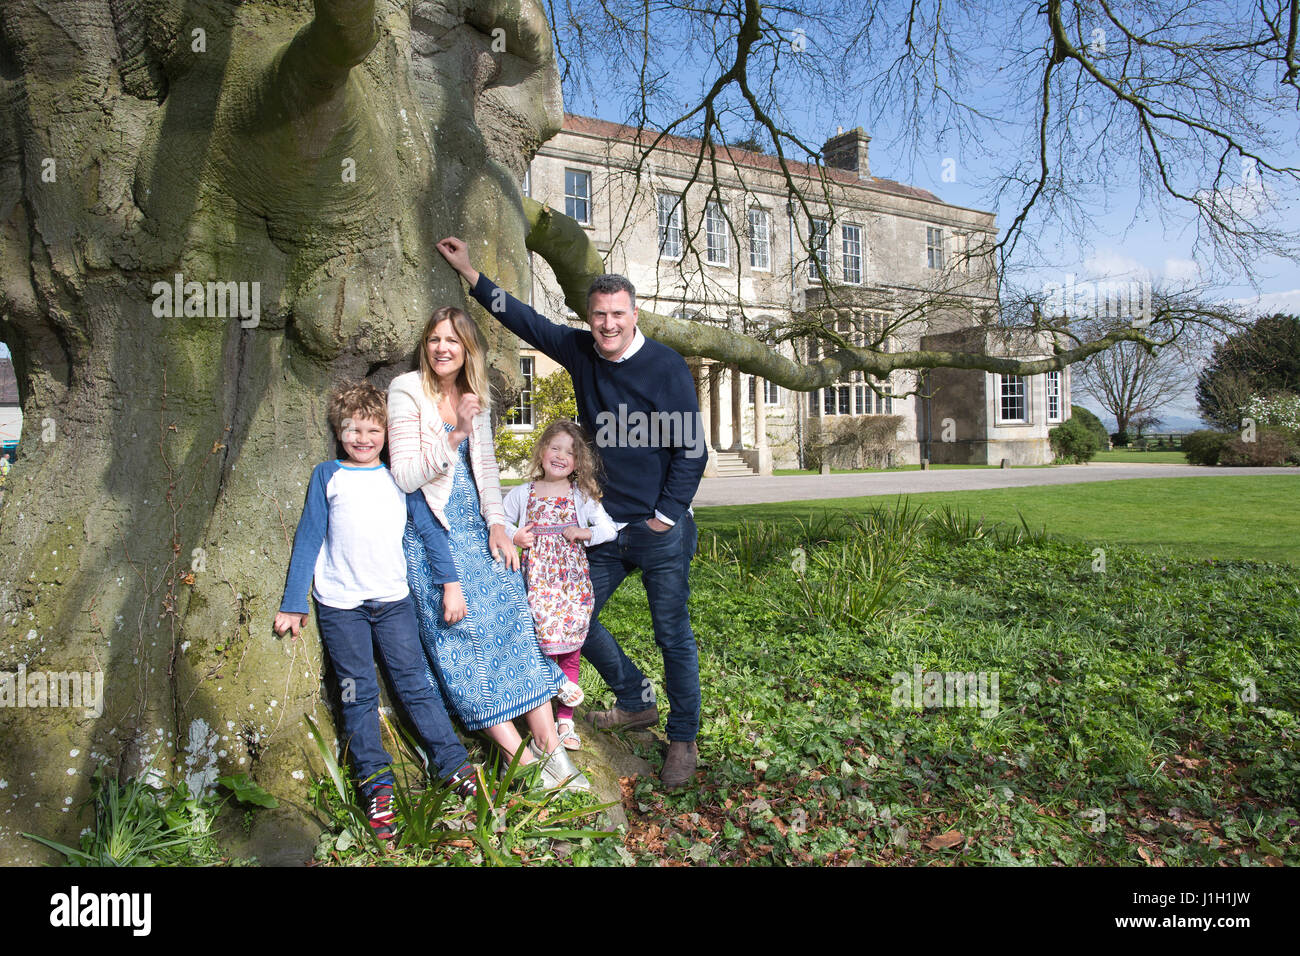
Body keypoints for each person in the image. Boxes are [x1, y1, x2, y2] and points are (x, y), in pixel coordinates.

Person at [436, 236, 708, 789]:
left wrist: (665, 514)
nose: (607, 325)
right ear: (590, 317)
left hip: (659, 530)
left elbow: (692, 451)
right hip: (601, 527)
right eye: (599, 316)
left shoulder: (666, 367)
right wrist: (469, 272)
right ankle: (634, 699)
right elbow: (529, 322)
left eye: (617, 315)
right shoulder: (582, 350)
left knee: (672, 633)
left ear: (635, 316)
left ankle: (683, 739)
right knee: (570, 621)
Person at [387, 306, 590, 792]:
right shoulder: (406, 389)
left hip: (478, 529)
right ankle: (515, 759)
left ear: (467, 350)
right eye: (435, 339)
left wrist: (498, 524)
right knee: (462, 645)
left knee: (513, 626)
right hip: (431, 535)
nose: (442, 348)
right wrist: (453, 432)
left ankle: (550, 748)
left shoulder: (472, 395)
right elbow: (404, 475)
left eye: (453, 341)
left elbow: (487, 471)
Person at [274, 380, 478, 841]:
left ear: (386, 433)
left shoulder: (397, 479)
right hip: (341, 606)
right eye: (353, 430)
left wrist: (451, 586)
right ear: (338, 431)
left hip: (392, 603)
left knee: (414, 684)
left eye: (372, 430)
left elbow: (430, 533)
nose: (363, 439)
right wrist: (292, 602)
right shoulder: (328, 476)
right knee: (356, 693)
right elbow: (308, 537)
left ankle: (453, 764)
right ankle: (376, 786)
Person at [502, 420, 618, 751]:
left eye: (570, 452)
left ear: (578, 462)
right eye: (555, 447)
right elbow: (497, 521)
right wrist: (515, 535)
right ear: (541, 452)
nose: (561, 456)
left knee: (570, 645)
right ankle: (540, 713)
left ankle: (565, 720)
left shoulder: (580, 495)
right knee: (540, 643)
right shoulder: (524, 494)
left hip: (572, 584)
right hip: (538, 583)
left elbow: (608, 529)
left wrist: (586, 533)